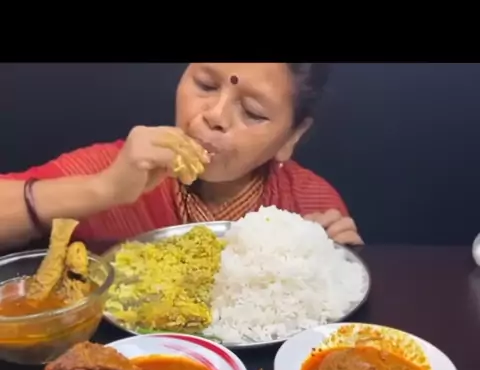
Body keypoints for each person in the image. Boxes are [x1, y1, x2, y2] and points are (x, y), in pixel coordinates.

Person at [0, 63, 362, 249]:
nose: (214, 115)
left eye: (252, 112)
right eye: (205, 85)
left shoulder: (311, 204)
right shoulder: (116, 169)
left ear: (291, 137)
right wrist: (103, 190)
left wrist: (340, 259)